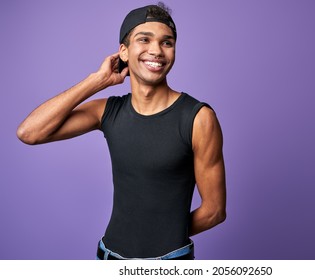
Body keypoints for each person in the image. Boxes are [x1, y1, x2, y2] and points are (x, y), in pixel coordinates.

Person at [17, 3, 226, 260]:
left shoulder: (198, 118)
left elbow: (215, 211)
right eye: (144, 40)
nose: (156, 51)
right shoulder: (108, 111)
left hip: (171, 262)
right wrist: (97, 80)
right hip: (109, 258)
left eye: (167, 42)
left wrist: (164, 235)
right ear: (123, 52)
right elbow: (29, 132)